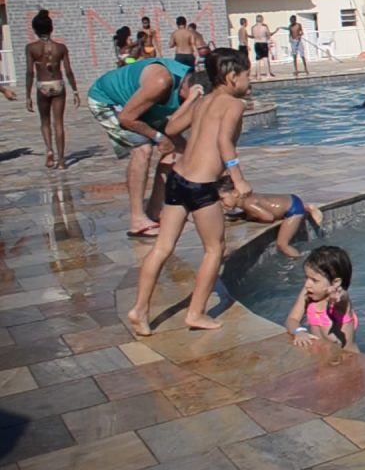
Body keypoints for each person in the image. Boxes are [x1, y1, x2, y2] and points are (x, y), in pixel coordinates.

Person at [127, 49, 252, 335]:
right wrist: (238, 178)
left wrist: (192, 99)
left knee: (162, 247)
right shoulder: (234, 104)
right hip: (201, 187)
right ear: (232, 77)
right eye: (247, 75)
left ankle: (140, 309)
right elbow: (224, 142)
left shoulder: (204, 101)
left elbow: (171, 127)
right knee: (214, 249)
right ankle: (196, 313)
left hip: (177, 179)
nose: (249, 80)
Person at [87, 57, 209, 237]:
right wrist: (158, 137)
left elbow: (176, 128)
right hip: (110, 101)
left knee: (181, 149)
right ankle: (137, 220)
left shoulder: (188, 80)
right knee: (142, 150)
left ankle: (154, 210)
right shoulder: (161, 82)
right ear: (191, 90)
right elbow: (127, 118)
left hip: (142, 105)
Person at [24, 10, 80, 169]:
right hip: (58, 84)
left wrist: (27, 95)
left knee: (45, 121)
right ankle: (62, 161)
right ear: (51, 28)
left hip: (42, 84)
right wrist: (75, 90)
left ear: (35, 29)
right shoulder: (61, 48)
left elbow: (29, 72)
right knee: (59, 123)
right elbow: (69, 71)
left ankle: (49, 150)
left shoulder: (31, 48)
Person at [219, 181, 323, 258]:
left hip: (293, 210)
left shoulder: (248, 203)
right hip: (289, 200)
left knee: (282, 244)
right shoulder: (245, 200)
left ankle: (300, 260)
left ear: (235, 193)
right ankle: (307, 207)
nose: (221, 204)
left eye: (222, 199)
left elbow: (268, 218)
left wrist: (249, 219)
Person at [285, 246, 358, 353]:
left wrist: (337, 297)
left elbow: (343, 297)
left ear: (336, 283)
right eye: (306, 278)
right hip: (321, 359)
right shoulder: (307, 293)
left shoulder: (342, 302)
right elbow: (292, 319)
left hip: (347, 361)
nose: (307, 284)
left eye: (314, 280)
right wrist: (299, 332)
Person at [250, 14, 279, 79]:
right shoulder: (264, 27)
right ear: (262, 20)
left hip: (256, 44)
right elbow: (269, 35)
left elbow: (252, 36)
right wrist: (276, 31)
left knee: (258, 60)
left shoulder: (253, 27)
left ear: (256, 20)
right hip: (263, 43)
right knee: (265, 59)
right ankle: (268, 74)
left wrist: (248, 36)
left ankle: (258, 75)